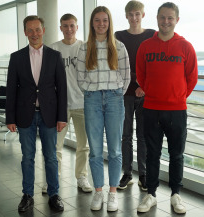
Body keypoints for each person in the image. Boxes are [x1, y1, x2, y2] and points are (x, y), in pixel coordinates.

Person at [136, 2, 198, 214]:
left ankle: (175, 194)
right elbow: (141, 75)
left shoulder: (186, 47)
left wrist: (177, 97)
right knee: (152, 154)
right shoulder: (146, 46)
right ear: (157, 19)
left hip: (177, 110)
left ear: (176, 20)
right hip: (151, 108)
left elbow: (191, 78)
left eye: (170, 18)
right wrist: (154, 93)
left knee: (177, 154)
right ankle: (151, 194)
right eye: (162, 17)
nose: (166, 21)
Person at [6, 15, 67, 213]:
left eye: (37, 29)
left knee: (51, 157)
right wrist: (10, 118)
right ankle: (27, 195)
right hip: (25, 115)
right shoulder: (16, 57)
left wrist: (62, 116)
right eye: (30, 30)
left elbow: (62, 88)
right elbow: (11, 90)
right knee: (27, 157)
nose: (34, 34)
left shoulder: (54, 56)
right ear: (25, 32)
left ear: (43, 30)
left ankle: (54, 194)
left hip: (49, 114)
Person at [77, 6, 130, 212]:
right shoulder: (84, 48)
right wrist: (92, 92)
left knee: (115, 150)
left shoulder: (119, 46)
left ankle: (113, 192)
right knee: (95, 150)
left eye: (105, 20)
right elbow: (80, 77)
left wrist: (115, 93)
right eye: (97, 20)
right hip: (92, 100)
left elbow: (126, 77)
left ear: (109, 23)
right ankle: (99, 192)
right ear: (92, 23)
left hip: (115, 98)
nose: (101, 24)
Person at [42, 13, 92, 193]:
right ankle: (52, 179)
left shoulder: (86, 48)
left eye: (72, 25)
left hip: (82, 104)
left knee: (83, 145)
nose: (69, 29)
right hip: (59, 107)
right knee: (55, 146)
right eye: (65, 26)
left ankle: (82, 177)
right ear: (60, 28)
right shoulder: (52, 49)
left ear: (77, 27)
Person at [114, 0, 155, 191]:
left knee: (143, 136)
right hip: (124, 93)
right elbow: (116, 64)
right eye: (130, 14)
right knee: (126, 135)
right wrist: (135, 81)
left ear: (143, 15)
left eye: (137, 14)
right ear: (126, 16)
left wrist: (144, 86)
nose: (134, 17)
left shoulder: (151, 35)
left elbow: (155, 65)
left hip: (146, 94)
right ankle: (127, 173)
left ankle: (144, 175)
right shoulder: (119, 36)